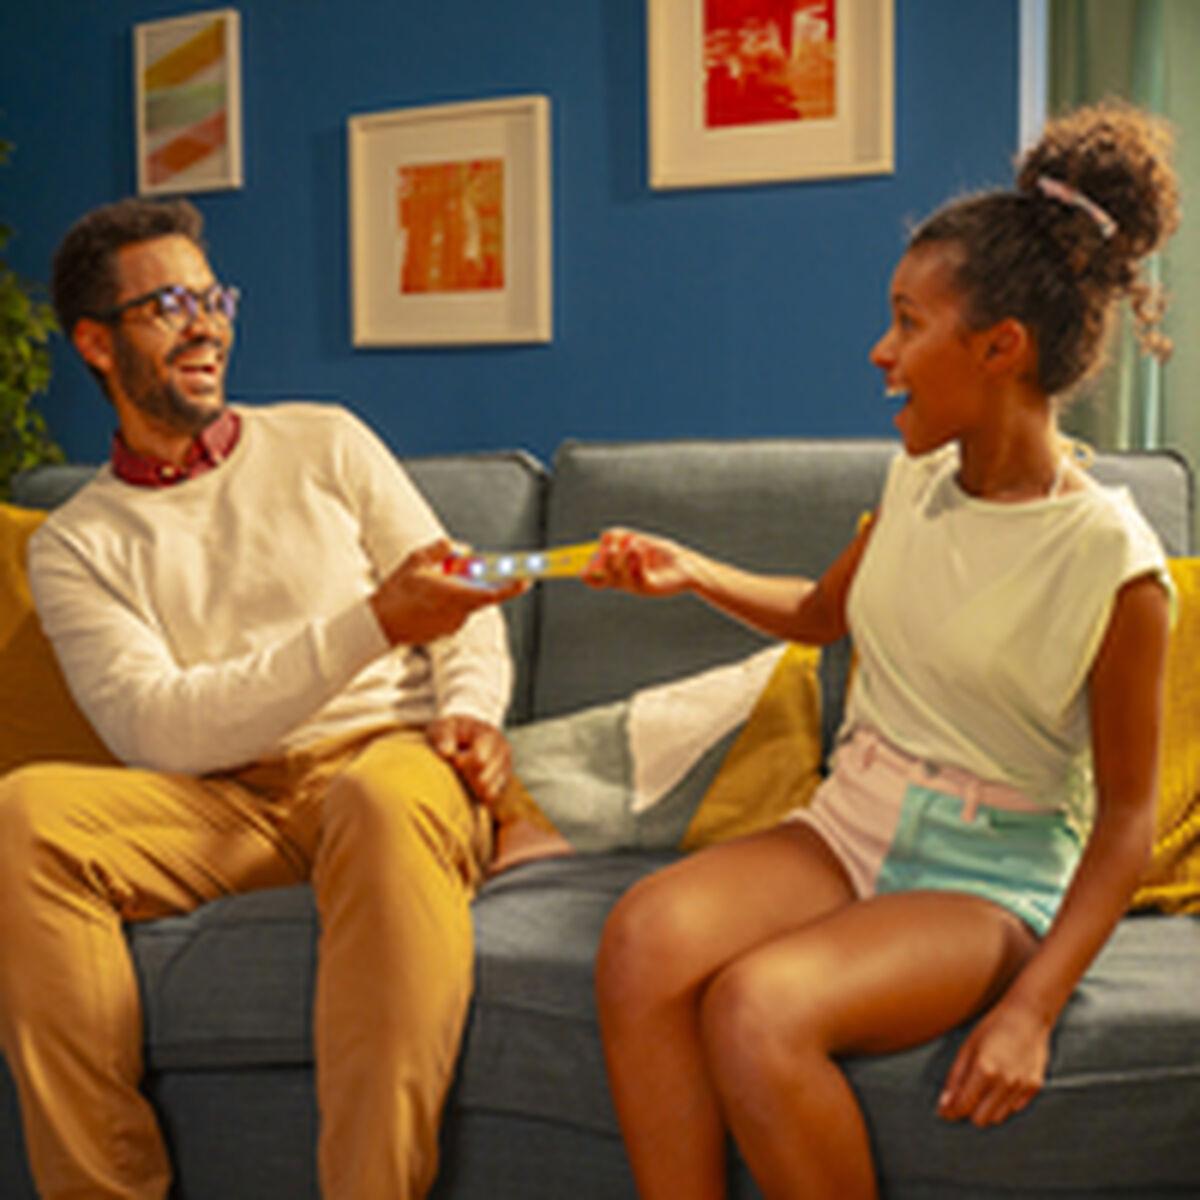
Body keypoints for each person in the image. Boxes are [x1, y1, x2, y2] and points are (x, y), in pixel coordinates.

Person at [584, 102, 1180, 1199]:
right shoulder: (914, 477)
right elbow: (825, 612)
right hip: (847, 823)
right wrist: (692, 569)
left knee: (756, 1009)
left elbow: (1127, 822)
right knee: (640, 941)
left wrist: (1030, 1008)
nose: (881, 350)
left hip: (989, 878)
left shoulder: (1115, 563)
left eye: (908, 322)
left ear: (1001, 347)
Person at [0, 196, 525, 1200]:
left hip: (386, 761)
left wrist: (470, 713)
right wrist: (373, 623)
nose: (206, 325)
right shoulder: (76, 544)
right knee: (24, 814)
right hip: (223, 801)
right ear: (96, 344)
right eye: (168, 307)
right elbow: (158, 729)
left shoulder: (327, 442)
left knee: (377, 798)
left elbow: (459, 605)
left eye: (213, 299)